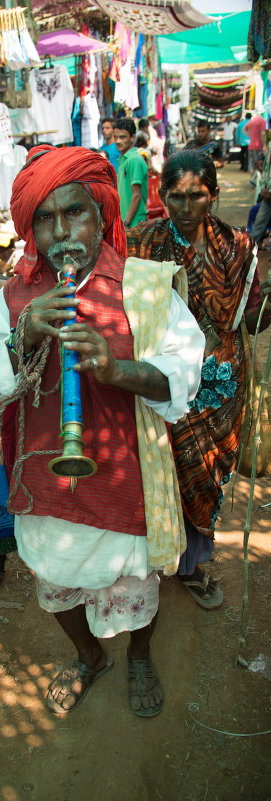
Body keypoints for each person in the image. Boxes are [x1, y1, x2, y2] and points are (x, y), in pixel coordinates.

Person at [0, 146, 205, 718]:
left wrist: (116, 369)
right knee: (55, 578)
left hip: (126, 479)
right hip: (47, 484)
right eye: (44, 220)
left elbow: (186, 369)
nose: (60, 233)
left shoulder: (145, 287)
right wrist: (21, 335)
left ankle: (139, 653)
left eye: (73, 213)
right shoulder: (14, 296)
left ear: (101, 213)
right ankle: (87, 655)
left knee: (134, 583)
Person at [127, 149, 271, 608]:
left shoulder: (238, 245)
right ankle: (160, 556)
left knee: (207, 474)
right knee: (165, 466)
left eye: (197, 196)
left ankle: (191, 564)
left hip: (221, 385)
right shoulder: (141, 242)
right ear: (162, 194)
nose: (186, 208)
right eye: (176, 197)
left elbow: (248, 323)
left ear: (214, 194)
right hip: (167, 380)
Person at [113, 117, 148, 228]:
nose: (118, 141)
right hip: (127, 223)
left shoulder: (134, 160)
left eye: (122, 137)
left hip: (134, 224)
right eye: (116, 137)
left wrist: (126, 223)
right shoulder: (123, 160)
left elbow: (137, 195)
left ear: (132, 137)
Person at [249, 146, 271, 246]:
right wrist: (263, 188)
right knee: (259, 221)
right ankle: (247, 251)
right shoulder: (270, 145)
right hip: (267, 193)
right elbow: (266, 170)